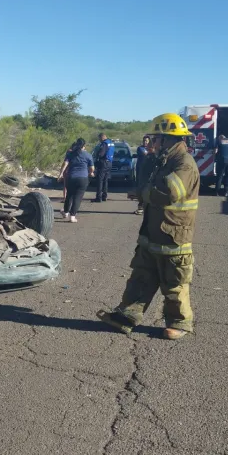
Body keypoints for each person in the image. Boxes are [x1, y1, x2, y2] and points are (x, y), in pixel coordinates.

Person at [98, 113, 200, 340]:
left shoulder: (184, 164)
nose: (152, 143)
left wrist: (143, 193)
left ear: (167, 139)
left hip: (174, 234)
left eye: (156, 139)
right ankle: (127, 316)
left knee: (174, 282)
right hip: (153, 231)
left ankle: (180, 323)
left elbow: (169, 193)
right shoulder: (164, 160)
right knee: (142, 277)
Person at [57, 138, 94, 223]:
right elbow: (92, 168)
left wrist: (61, 174)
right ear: (84, 146)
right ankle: (72, 216)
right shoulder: (88, 155)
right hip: (83, 179)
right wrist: (91, 173)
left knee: (69, 195)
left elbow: (65, 164)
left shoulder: (70, 153)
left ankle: (66, 212)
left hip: (71, 177)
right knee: (78, 197)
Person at [92, 133, 115, 202]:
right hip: (109, 163)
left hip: (103, 163)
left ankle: (98, 197)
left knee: (100, 180)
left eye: (99, 138)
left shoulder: (104, 144)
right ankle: (104, 196)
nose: (99, 140)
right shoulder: (111, 143)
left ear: (102, 137)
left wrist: (97, 155)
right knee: (105, 180)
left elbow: (101, 154)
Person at [133, 135, 153, 214]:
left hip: (148, 173)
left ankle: (146, 208)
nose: (145, 142)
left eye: (147, 141)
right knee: (140, 190)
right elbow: (147, 154)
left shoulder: (151, 149)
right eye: (144, 141)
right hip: (140, 172)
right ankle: (140, 207)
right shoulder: (140, 148)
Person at [214, 132, 228, 196]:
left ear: (220, 138)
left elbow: (216, 151)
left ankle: (217, 192)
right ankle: (226, 192)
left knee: (219, 176)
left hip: (222, 161)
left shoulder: (219, 141)